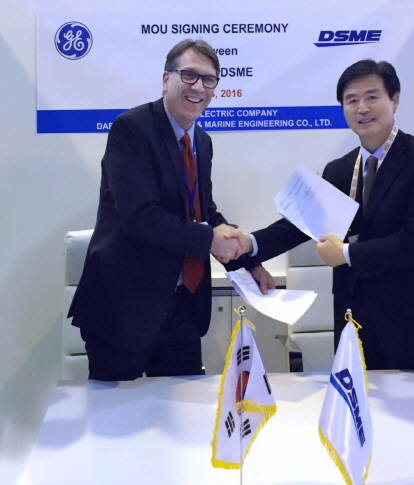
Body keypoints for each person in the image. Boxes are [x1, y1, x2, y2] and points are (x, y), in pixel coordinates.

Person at [236, 60, 414, 397]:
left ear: (394, 99)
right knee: (356, 414)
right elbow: (299, 225)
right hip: (356, 322)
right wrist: (249, 246)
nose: (362, 108)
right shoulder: (340, 169)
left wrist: (345, 253)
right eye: (351, 100)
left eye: (372, 97)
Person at [68, 39, 269, 380]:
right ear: (166, 79)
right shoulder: (132, 129)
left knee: (184, 407)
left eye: (208, 79)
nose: (198, 87)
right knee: (119, 411)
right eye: (189, 75)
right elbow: (140, 218)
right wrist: (209, 239)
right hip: (125, 307)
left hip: (183, 307)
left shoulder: (201, 141)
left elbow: (204, 212)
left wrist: (248, 262)